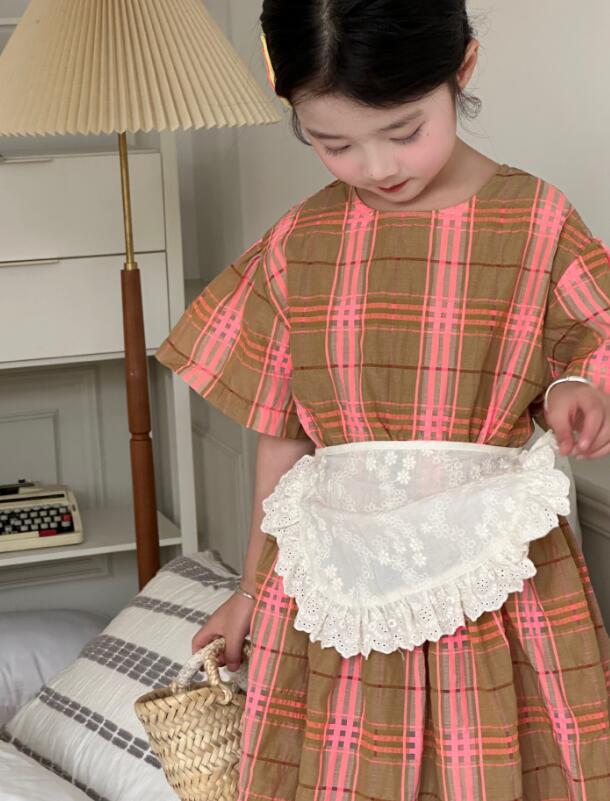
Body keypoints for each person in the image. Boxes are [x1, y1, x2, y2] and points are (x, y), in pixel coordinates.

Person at [155, 1, 610, 798]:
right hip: (337, 609)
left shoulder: (536, 221)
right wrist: (250, 592)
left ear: (462, 68)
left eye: (404, 131)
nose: (376, 166)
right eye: (334, 144)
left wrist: (579, 385)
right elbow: (283, 438)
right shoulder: (299, 243)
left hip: (495, 601)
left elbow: (592, 338)